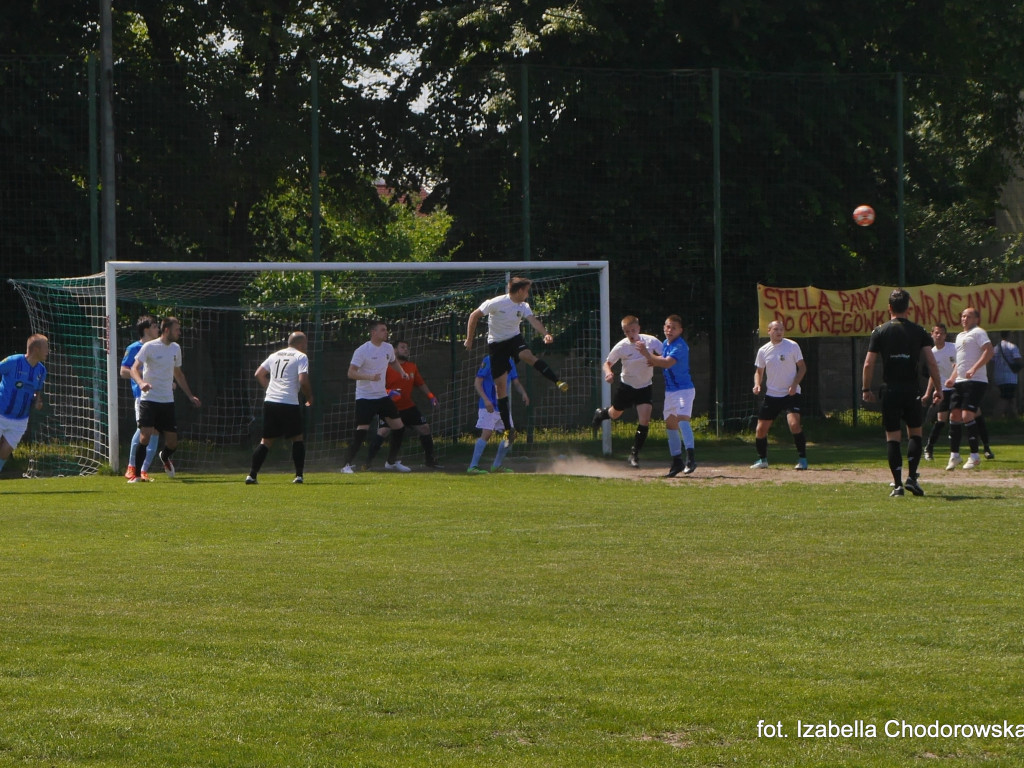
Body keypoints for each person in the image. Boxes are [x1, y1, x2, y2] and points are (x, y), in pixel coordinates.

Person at [464, 276, 567, 445]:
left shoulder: (523, 306)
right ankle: (507, 430)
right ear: (519, 291)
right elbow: (474, 315)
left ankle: (557, 381)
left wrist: (546, 334)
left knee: (528, 356)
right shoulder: (496, 302)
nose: (528, 294)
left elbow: (533, 321)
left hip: (514, 339)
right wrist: (469, 339)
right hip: (497, 345)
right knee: (501, 388)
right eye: (526, 291)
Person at [861, 289, 942, 497]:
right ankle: (912, 478)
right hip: (911, 389)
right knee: (915, 433)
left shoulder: (879, 331)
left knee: (893, 437)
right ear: (908, 307)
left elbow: (869, 363)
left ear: (889, 308)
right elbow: (931, 362)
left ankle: (897, 484)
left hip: (890, 390)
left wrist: (866, 388)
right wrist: (938, 390)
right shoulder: (919, 331)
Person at [129, 317, 202, 482]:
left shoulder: (176, 349)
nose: (179, 333)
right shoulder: (149, 347)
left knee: (172, 443)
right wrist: (141, 383)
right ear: (167, 330)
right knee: (145, 435)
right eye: (177, 329)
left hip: (167, 401)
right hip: (149, 400)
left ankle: (164, 456)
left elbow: (178, 374)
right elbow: (134, 368)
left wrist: (190, 395)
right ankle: (137, 475)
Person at [339, 320, 412, 473]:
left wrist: (402, 372)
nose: (386, 332)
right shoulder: (362, 350)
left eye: (386, 330)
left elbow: (393, 362)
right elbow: (351, 373)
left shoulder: (388, 348)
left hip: (381, 396)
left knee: (399, 427)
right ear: (374, 333)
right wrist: (369, 377)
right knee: (362, 430)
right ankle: (346, 464)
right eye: (383, 330)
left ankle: (391, 461)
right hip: (365, 397)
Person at [593, 315, 663, 468]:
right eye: (627, 332)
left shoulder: (651, 341)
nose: (631, 334)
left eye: (633, 330)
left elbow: (666, 355)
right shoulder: (621, 346)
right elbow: (607, 363)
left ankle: (634, 454)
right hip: (627, 386)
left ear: (639, 328)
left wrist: (656, 361)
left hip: (645, 386)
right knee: (615, 414)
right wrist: (608, 372)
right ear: (624, 332)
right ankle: (601, 414)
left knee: (644, 420)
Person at [362, 339, 443, 470]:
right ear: (394, 351)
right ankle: (367, 463)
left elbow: (420, 384)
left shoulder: (412, 367)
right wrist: (389, 392)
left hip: (407, 406)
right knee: (383, 431)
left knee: (425, 428)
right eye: (402, 347)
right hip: (389, 407)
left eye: (407, 348)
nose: (406, 350)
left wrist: (431, 397)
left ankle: (429, 461)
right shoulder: (385, 367)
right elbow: (374, 387)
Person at [246, 331, 313, 485]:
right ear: (301, 344)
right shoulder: (300, 356)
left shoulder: (275, 355)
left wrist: (270, 388)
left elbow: (259, 374)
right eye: (306, 343)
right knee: (297, 438)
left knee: (266, 441)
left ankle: (252, 475)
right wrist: (309, 397)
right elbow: (303, 381)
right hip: (289, 402)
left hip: (271, 401)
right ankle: (299, 476)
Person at [639, 314, 697, 477]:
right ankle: (676, 461)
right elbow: (662, 359)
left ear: (680, 330)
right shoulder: (665, 343)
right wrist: (654, 359)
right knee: (671, 425)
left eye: (673, 327)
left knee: (682, 419)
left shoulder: (680, 346)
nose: (669, 330)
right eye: (667, 326)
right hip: (670, 391)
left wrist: (646, 354)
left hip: (683, 389)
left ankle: (691, 458)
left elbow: (667, 362)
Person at [750, 320, 809, 470]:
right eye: (776, 329)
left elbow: (802, 368)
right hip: (772, 395)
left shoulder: (792, 346)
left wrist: (795, 384)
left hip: (791, 394)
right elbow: (759, 371)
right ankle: (762, 460)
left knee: (794, 424)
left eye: (781, 329)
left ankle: (802, 459)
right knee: (760, 430)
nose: (779, 332)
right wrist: (757, 384)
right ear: (768, 331)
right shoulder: (763, 350)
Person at [944, 306, 994, 471]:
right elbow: (960, 361)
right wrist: (952, 378)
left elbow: (989, 351)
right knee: (955, 415)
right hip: (960, 381)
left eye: (969, 316)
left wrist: (974, 368)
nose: (964, 319)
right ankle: (955, 455)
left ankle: (974, 456)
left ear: (976, 319)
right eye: (963, 316)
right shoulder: (959, 336)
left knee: (967, 415)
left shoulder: (979, 332)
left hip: (976, 381)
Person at [468, 355, 529, 474]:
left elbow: (515, 382)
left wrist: (523, 393)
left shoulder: (510, 361)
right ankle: (473, 466)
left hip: (502, 406)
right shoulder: (488, 360)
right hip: (488, 405)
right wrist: (486, 400)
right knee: (487, 433)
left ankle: (496, 465)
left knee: (510, 434)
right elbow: (477, 382)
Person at [0, 334, 49, 476]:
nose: (48, 351)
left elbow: (36, 392)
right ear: (36, 349)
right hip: (1, 412)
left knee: (5, 451)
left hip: (20, 419)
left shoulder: (41, 371)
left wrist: (38, 401)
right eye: (46, 347)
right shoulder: (13, 361)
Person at [120, 314, 161, 480]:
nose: (158, 329)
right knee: (144, 429)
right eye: (154, 326)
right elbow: (123, 371)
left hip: (160, 395)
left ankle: (143, 469)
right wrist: (140, 378)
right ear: (146, 330)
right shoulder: (134, 348)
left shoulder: (159, 348)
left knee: (156, 431)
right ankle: (132, 466)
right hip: (142, 396)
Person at [921, 324, 955, 461]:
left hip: (956, 387)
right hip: (943, 390)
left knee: (957, 418)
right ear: (932, 334)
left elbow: (957, 365)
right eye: (936, 333)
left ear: (945, 335)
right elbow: (933, 375)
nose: (939, 335)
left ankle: (958, 451)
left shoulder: (952, 348)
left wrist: (953, 379)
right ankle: (929, 448)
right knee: (941, 420)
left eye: (942, 333)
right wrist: (928, 393)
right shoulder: (932, 352)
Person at [991, 330, 1021, 419]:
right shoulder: (1012, 347)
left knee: (1011, 397)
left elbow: (992, 361)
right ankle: (996, 417)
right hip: (1010, 377)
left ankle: (1014, 416)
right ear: (1009, 335)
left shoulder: (996, 348)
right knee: (1005, 397)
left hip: (999, 377)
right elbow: (1018, 360)